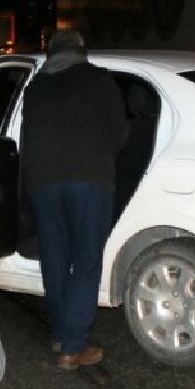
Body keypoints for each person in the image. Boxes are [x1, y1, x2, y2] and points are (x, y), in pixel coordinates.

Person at [20, 30, 128, 369]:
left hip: (42, 182)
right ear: (82, 51)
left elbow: (26, 135)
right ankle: (73, 346)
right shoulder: (99, 79)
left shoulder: (35, 86)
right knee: (85, 260)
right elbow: (120, 133)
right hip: (87, 180)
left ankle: (61, 332)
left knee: (54, 257)